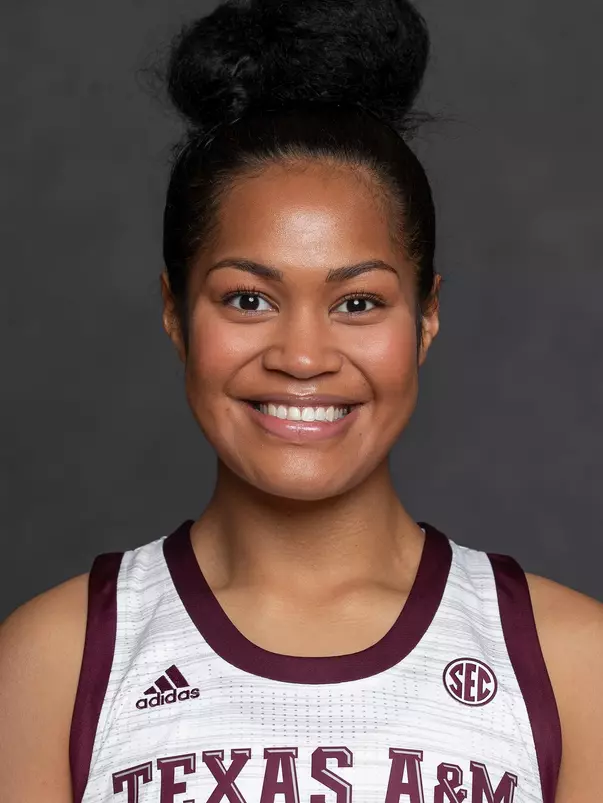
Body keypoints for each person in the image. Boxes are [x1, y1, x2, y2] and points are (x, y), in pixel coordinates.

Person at [1, 0, 602, 801]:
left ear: (425, 317)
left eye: (358, 303)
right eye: (248, 299)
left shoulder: (571, 665)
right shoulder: (57, 660)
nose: (303, 357)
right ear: (176, 312)